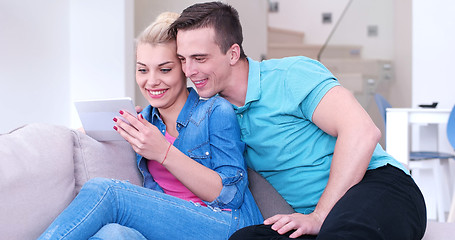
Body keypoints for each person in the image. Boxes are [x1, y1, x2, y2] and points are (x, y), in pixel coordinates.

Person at [169, 2, 427, 240]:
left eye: (199, 58)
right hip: (313, 217)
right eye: (183, 59)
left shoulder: (290, 75)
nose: (189, 71)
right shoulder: (214, 114)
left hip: (378, 186)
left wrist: (320, 216)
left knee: (344, 232)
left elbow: (362, 131)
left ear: (233, 53)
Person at [38, 12, 262, 240]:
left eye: (165, 69)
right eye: (143, 69)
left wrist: (163, 152)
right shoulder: (143, 122)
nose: (152, 81)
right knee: (113, 234)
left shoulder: (215, 111)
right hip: (169, 229)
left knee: (107, 192)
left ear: (184, 69)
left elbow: (230, 195)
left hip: (225, 225)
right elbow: (83, 136)